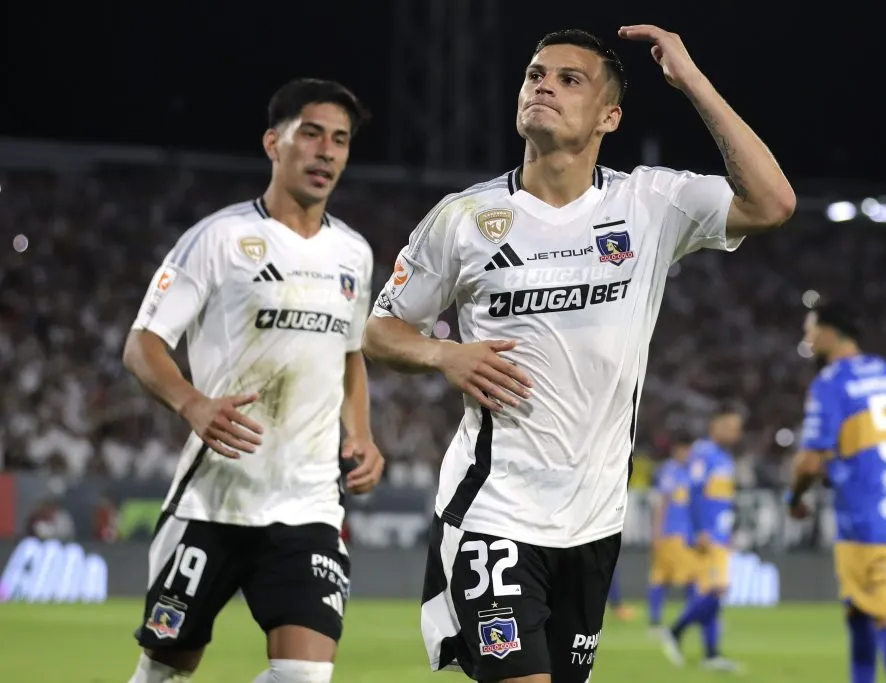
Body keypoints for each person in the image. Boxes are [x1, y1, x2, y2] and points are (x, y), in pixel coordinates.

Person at [363, 26, 795, 683]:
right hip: (494, 509)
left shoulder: (648, 203)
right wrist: (442, 356)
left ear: (609, 116)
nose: (544, 86)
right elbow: (381, 329)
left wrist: (694, 84)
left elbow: (772, 202)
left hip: (593, 521)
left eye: (570, 80)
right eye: (536, 74)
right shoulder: (464, 218)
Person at [122, 78, 385, 683]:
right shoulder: (217, 240)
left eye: (340, 141)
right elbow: (142, 343)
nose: (326, 152)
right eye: (311, 134)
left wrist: (362, 435)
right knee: (164, 670)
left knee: (304, 676)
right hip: (214, 500)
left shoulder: (354, 254)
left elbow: (350, 356)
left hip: (308, 505)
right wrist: (192, 403)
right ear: (274, 142)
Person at [787, 302, 886, 683]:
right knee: (860, 611)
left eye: (811, 330)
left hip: (863, 515)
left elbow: (810, 463)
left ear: (832, 332)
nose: (807, 339)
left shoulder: (831, 383)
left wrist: (793, 498)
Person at [661, 408, 745, 672]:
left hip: (719, 534)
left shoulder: (724, 458)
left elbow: (721, 500)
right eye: (730, 426)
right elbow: (694, 494)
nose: (735, 432)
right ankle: (675, 631)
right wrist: (699, 530)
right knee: (716, 590)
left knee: (714, 593)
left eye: (737, 427)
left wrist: (727, 531)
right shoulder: (704, 453)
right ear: (715, 425)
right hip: (707, 536)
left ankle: (711, 654)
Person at [647, 434, 696, 631]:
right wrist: (657, 532)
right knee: (678, 577)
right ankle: (685, 619)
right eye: (684, 449)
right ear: (676, 450)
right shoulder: (669, 471)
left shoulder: (691, 471)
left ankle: (658, 622)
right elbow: (662, 504)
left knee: (665, 577)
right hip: (672, 534)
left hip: (686, 533)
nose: (687, 454)